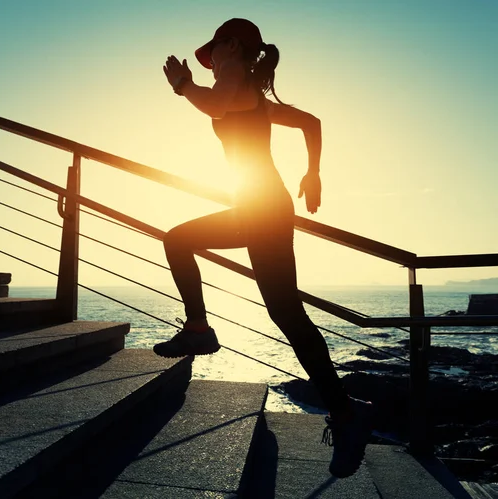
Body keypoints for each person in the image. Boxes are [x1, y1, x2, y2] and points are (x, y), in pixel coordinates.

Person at [155, 18, 373, 478]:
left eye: (213, 54)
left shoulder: (233, 82)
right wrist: (312, 172)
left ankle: (199, 329)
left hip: (262, 209)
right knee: (286, 314)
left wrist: (183, 86)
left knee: (181, 241)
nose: (210, 65)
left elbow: (213, 102)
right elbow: (311, 122)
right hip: (261, 206)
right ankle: (346, 412)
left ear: (232, 46)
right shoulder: (251, 94)